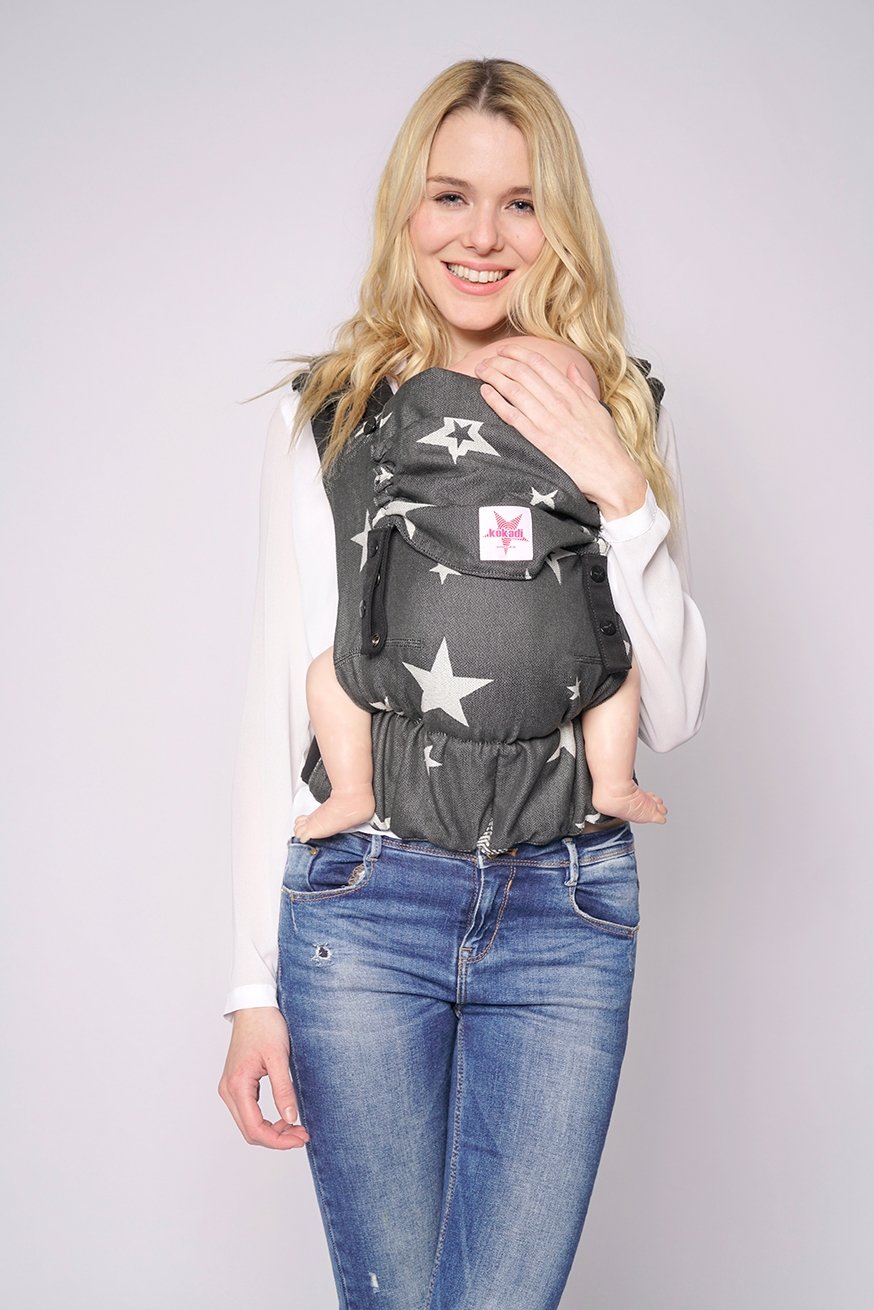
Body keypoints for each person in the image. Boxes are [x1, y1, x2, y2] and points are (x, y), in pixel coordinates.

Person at [219, 57, 708, 1310]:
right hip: (365, 899)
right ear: (406, 208)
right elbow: (279, 702)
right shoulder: (327, 414)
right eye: (451, 196)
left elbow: (672, 709)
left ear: (560, 225)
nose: (481, 236)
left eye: (520, 202)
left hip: (565, 910)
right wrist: (251, 987)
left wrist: (621, 486)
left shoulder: (616, 403)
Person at [293, 332, 667, 847]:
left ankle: (351, 790)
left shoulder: (402, 438)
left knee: (329, 676)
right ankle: (614, 783)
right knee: (618, 674)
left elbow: (674, 721)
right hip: (564, 662)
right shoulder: (576, 472)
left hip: (405, 660)